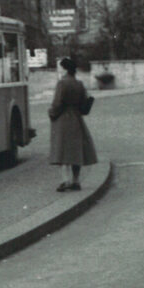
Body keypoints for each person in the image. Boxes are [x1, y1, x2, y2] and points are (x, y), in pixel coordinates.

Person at [48, 56, 98, 192]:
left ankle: (65, 180)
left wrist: (51, 113)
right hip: (76, 119)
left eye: (60, 67)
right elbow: (84, 105)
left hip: (63, 119)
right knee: (76, 151)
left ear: (64, 69)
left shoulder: (61, 83)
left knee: (62, 150)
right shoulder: (79, 83)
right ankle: (76, 181)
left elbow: (57, 103)